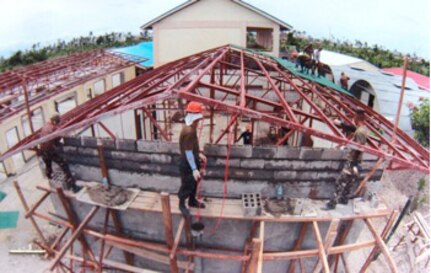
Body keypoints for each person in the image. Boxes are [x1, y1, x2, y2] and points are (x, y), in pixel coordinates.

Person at [326, 109, 368, 209]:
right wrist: (341, 123)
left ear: (358, 117)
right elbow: (353, 128)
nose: (354, 118)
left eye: (355, 116)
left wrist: (354, 165)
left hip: (352, 162)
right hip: (355, 161)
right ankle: (343, 200)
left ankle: (332, 204)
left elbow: (359, 149)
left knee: (340, 182)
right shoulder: (363, 129)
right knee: (349, 182)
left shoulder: (360, 133)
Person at [178, 101, 207, 216]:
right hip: (187, 162)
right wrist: (194, 169)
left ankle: (192, 201)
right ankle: (181, 204)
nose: (199, 121)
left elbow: (191, 147)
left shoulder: (191, 127)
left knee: (194, 183)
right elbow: (188, 152)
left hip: (192, 159)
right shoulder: (189, 131)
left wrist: (198, 153)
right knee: (187, 183)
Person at [39, 114, 80, 192]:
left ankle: (51, 182)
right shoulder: (53, 128)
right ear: (55, 122)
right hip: (49, 150)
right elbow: (58, 137)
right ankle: (73, 187)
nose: (58, 124)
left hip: (43, 151)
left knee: (48, 166)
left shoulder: (46, 126)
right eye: (58, 123)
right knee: (64, 165)